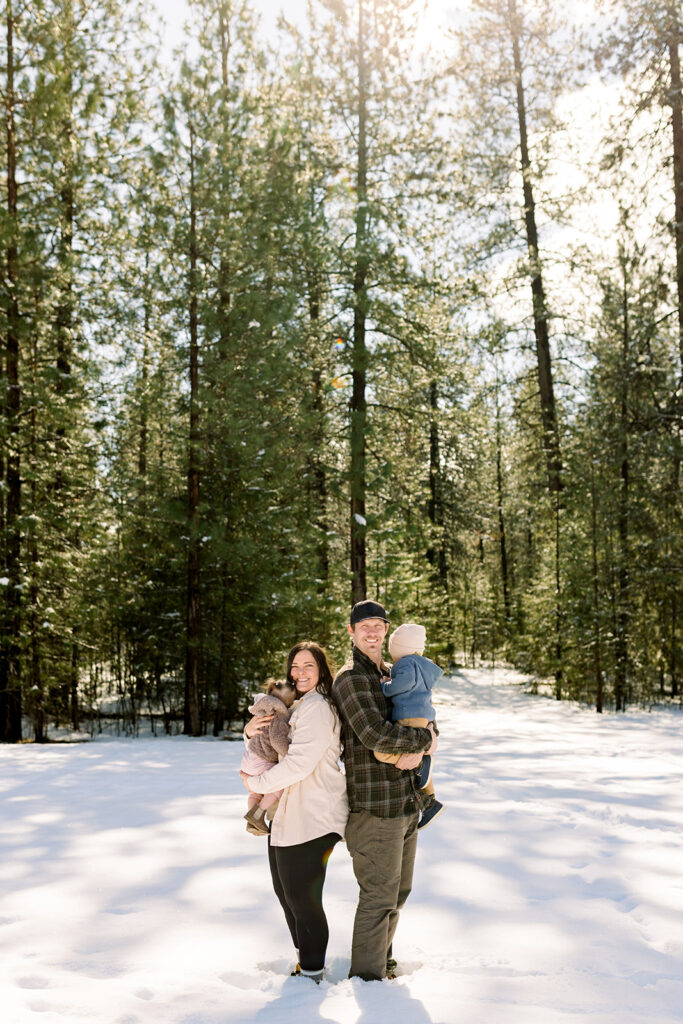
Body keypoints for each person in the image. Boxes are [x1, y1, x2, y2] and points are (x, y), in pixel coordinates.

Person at [332, 600, 436, 982]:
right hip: (375, 811)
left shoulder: (395, 673)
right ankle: (367, 981)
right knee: (378, 899)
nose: (373, 632)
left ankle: (383, 964)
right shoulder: (350, 679)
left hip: (406, 804)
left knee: (398, 895)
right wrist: (424, 740)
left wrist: (427, 736)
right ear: (352, 632)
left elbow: (424, 715)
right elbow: (374, 733)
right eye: (365, 626)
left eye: (379, 625)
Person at [240, 641, 348, 984]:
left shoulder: (317, 708)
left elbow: (299, 763)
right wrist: (248, 734)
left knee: (303, 899)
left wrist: (257, 780)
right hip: (289, 816)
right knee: (287, 895)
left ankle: (313, 972)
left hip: (313, 817)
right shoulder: (299, 705)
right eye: (295, 667)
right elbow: (270, 743)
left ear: (321, 670)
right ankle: (306, 964)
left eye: (308, 666)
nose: (299, 673)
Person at [374, 622, 445, 830]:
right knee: (418, 760)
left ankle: (421, 764)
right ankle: (430, 800)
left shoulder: (406, 664)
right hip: (423, 716)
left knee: (382, 753)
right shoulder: (422, 665)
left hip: (409, 715)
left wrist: (385, 686)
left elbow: (402, 684)